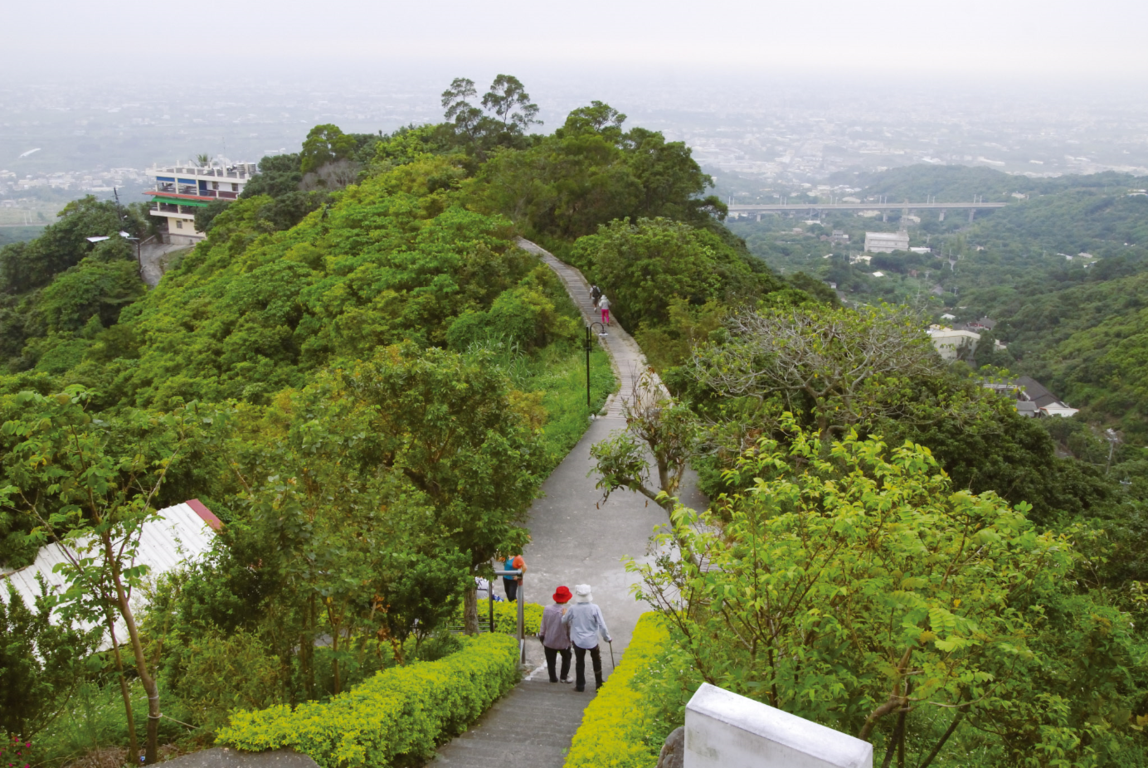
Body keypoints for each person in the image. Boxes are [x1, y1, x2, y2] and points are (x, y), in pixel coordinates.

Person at [561, 583, 612, 692]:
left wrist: (565, 615)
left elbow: (564, 621)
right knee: (596, 660)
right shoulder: (595, 608)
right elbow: (602, 625)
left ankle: (580, 686)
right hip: (592, 640)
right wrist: (607, 638)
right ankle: (599, 683)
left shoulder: (573, 608)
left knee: (580, 662)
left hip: (578, 640)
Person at [539, 585, 573, 683]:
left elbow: (543, 624)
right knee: (567, 658)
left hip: (549, 640)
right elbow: (569, 627)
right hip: (563, 641)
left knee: (550, 661)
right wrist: (571, 639)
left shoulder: (547, 608)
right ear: (566, 599)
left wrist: (542, 635)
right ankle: (563, 676)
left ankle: (553, 678)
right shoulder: (566, 612)